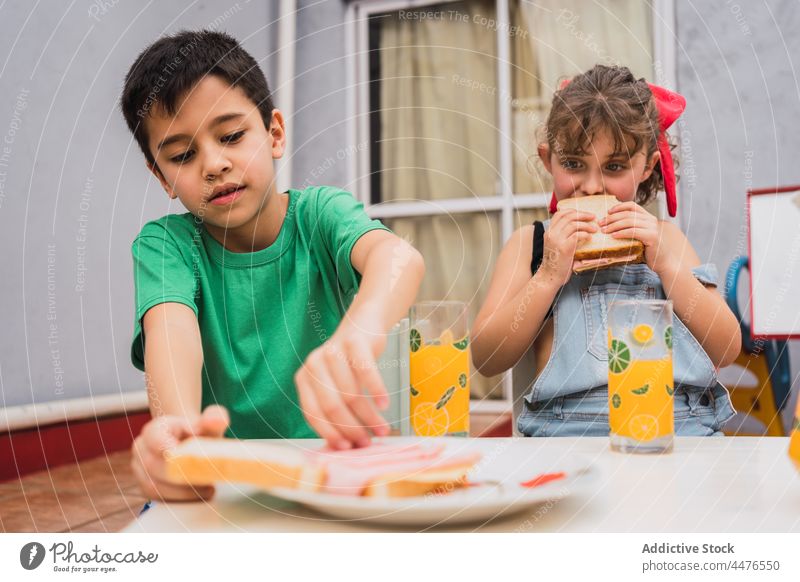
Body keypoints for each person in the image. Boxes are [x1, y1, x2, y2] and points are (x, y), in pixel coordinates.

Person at [119, 30, 424, 500]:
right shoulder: (167, 247)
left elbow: (398, 257)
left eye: (232, 136)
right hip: (228, 482)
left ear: (275, 133)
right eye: (182, 155)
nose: (214, 164)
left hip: (338, 476)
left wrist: (357, 335)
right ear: (162, 177)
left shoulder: (322, 215)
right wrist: (179, 436)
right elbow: (171, 333)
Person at [472, 64, 740, 437]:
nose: (592, 186)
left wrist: (668, 267)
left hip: (681, 430)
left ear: (647, 166)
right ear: (548, 159)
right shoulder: (530, 245)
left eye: (614, 167)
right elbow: (486, 357)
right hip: (567, 437)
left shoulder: (665, 240)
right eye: (573, 164)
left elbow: (727, 348)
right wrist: (548, 276)